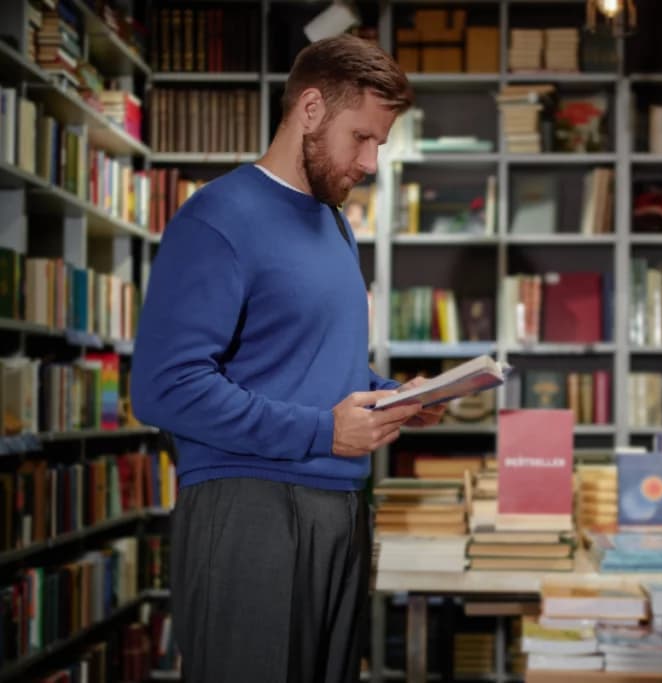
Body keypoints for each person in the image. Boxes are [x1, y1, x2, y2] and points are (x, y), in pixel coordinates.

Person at [130, 35, 444, 682]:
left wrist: (391, 398)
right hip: (249, 511)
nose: (370, 161)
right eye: (361, 137)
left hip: (341, 506)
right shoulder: (216, 217)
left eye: (380, 143)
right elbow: (165, 387)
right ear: (310, 109)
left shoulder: (334, 223)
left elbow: (307, 363)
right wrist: (325, 431)